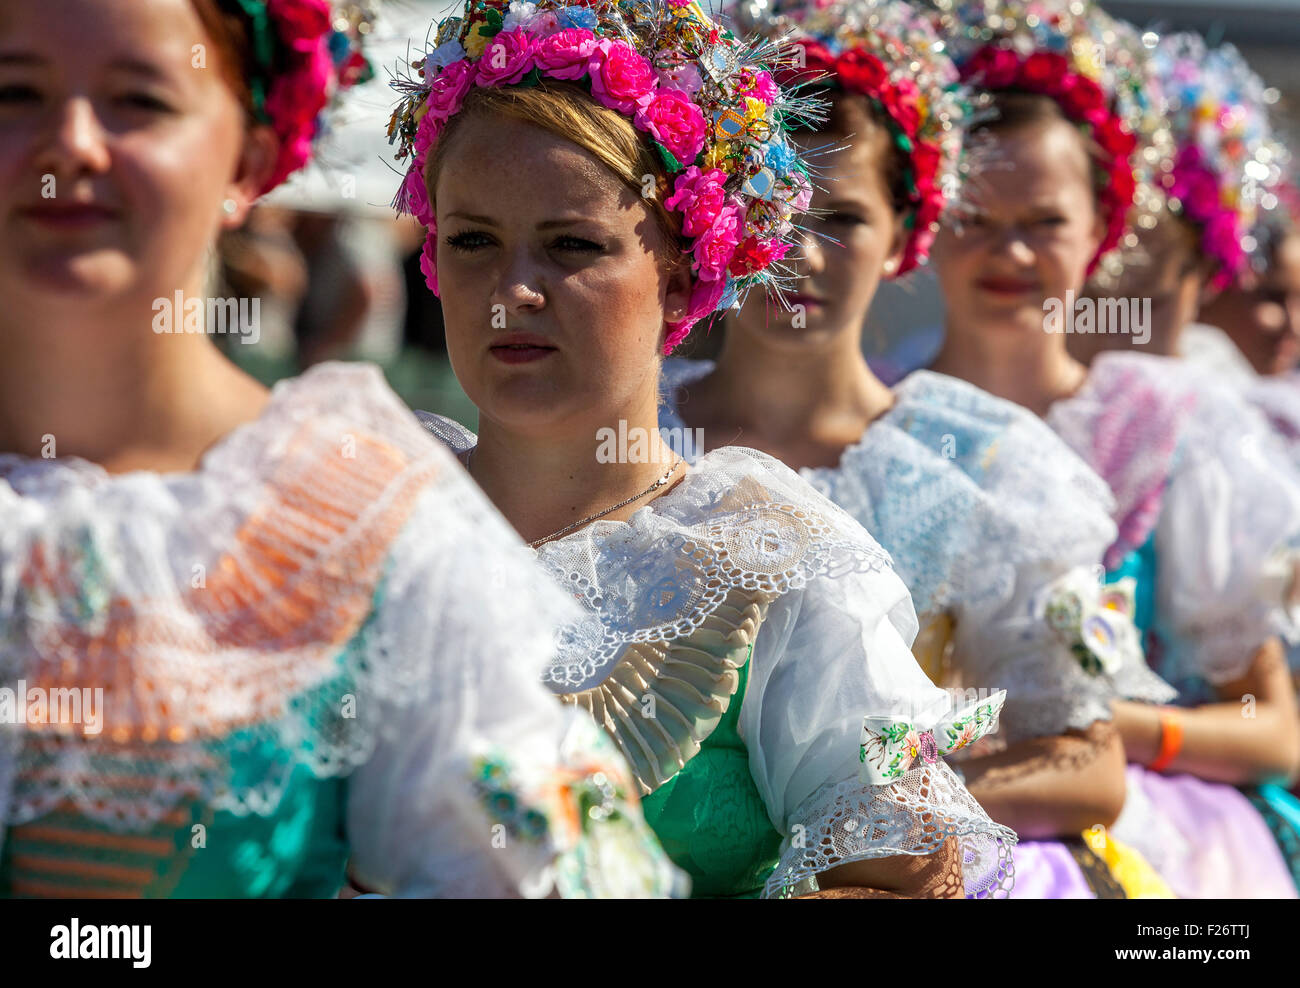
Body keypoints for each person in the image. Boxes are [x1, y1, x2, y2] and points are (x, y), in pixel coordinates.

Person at [0, 0, 681, 899]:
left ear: (247, 157)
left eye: (140, 101)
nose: (71, 146)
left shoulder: (354, 514)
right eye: (14, 92)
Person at [392, 0, 1017, 898]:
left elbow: (907, 880)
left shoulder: (771, 561)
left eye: (572, 245)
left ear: (684, 270)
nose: (515, 290)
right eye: (473, 241)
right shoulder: (359, 517)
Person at [656, 0, 1174, 898]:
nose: (800, 256)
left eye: (843, 219)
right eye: (771, 207)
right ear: (719, 218)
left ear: (908, 234)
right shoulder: (629, 434)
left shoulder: (986, 463)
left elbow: (1091, 767)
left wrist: (874, 823)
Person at [923, 1, 1300, 897]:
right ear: (926, 218)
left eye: (1043, 220)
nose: (1008, 250)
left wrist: (1097, 728)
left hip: (1152, 831)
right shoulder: (877, 418)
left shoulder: (1176, 426)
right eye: (974, 214)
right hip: (927, 821)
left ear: (1102, 226)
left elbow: (1275, 729)